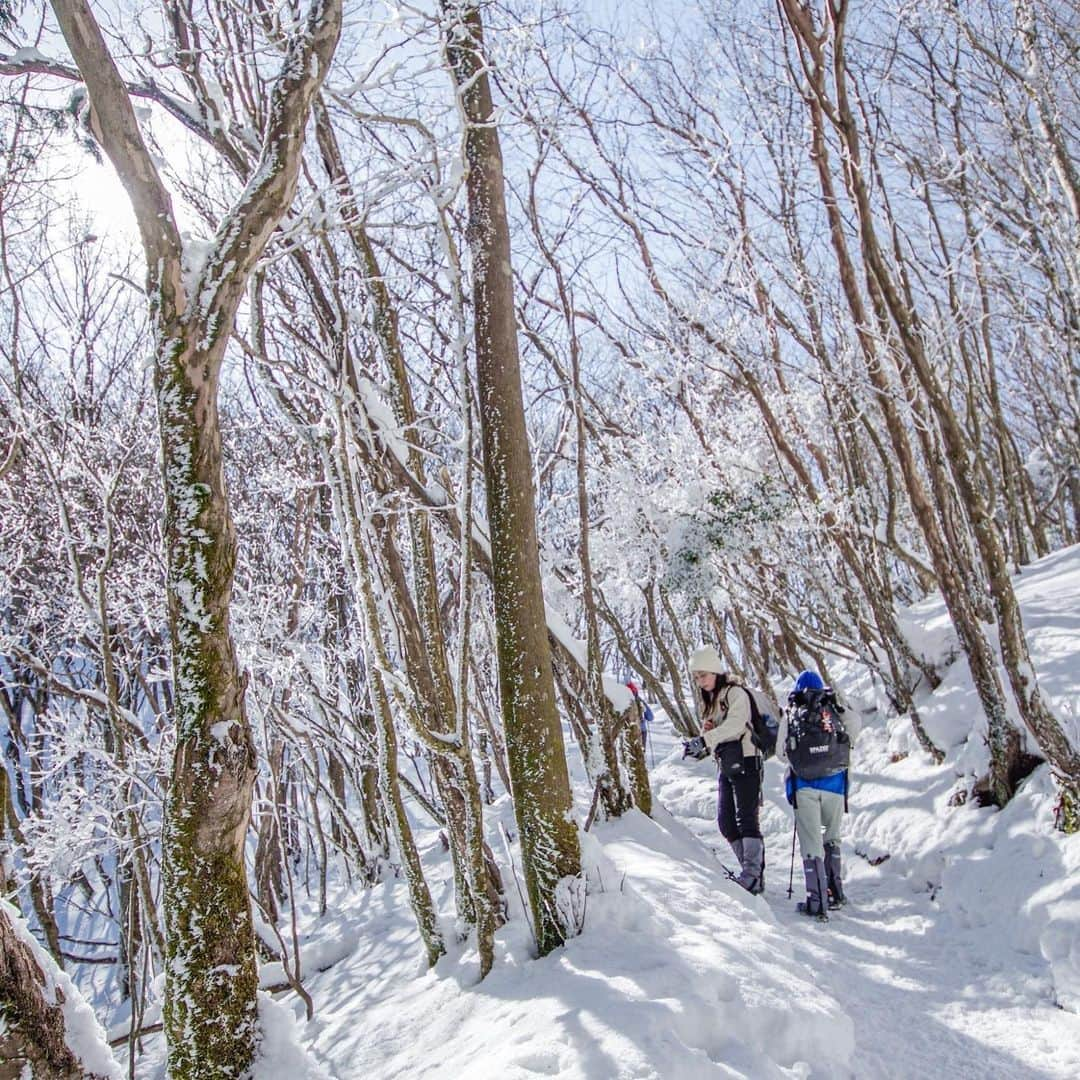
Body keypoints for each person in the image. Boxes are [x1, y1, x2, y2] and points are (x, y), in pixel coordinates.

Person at [776, 670, 861, 921]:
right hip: (835, 785)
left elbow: (782, 753)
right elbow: (854, 728)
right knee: (832, 837)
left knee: (811, 842)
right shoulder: (832, 711)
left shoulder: (792, 713)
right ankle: (836, 892)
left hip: (805, 787)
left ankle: (817, 900)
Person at [689, 646, 765, 894]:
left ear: (715, 671)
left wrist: (706, 739)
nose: (701, 681)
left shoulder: (735, 693)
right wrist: (705, 734)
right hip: (727, 763)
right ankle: (750, 871)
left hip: (747, 759)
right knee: (726, 822)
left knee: (747, 819)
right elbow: (714, 734)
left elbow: (735, 725)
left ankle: (752, 875)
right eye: (697, 677)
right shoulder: (712, 701)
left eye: (704, 675)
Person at [626, 680, 654, 750]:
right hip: (642, 730)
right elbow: (650, 717)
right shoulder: (640, 702)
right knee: (641, 753)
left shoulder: (623, 701)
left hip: (628, 732)